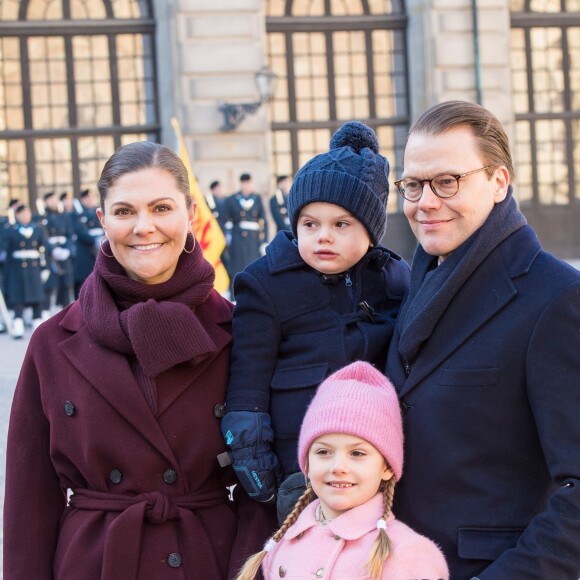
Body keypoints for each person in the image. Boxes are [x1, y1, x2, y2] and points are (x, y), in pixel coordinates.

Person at [3, 142, 275, 579]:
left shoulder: (243, 333)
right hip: (92, 562)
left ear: (190, 213)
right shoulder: (52, 342)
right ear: (102, 220)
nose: (143, 227)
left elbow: (261, 491)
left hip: (210, 559)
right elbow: (28, 502)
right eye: (125, 211)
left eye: (161, 207)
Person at [385, 100, 580, 579]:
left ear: (499, 182)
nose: (425, 201)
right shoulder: (414, 286)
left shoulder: (555, 298)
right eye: (412, 185)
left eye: (447, 181)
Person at [221, 121, 410, 523]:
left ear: (371, 232)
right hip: (295, 472)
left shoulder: (394, 280)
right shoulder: (265, 284)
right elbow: (247, 382)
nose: (323, 236)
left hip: (373, 471)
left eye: (341, 224)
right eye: (310, 224)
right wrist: (254, 461)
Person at [235, 361, 449, 579]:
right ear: (307, 463)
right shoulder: (285, 541)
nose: (338, 467)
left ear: (386, 467)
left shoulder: (409, 554)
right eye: (323, 452)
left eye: (357, 453)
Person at [2, 202, 49, 338]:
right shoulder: (10, 231)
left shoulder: (38, 229)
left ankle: (38, 327)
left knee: (37, 298)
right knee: (18, 299)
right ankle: (18, 326)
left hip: (34, 269)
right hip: (17, 270)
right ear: (17, 215)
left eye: (28, 213)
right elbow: (6, 252)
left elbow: (43, 250)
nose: (26, 216)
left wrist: (44, 267)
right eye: (22, 214)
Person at [223, 173, 268, 296]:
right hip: (238, 239)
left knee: (253, 266)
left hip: (253, 240)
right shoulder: (232, 199)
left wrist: (264, 241)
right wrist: (226, 237)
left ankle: (253, 294)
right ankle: (235, 294)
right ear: (241, 184)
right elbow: (224, 220)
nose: (247, 186)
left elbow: (264, 221)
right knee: (237, 266)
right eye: (245, 183)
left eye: (249, 183)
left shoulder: (257, 199)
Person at [37, 191, 75, 310]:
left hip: (63, 252)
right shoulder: (42, 218)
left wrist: (67, 250)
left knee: (66, 283)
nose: (53, 202)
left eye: (54, 199)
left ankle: (66, 308)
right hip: (51, 255)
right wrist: (52, 251)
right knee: (51, 284)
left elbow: (70, 235)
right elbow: (43, 238)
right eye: (50, 200)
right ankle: (47, 310)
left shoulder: (64, 216)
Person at [72, 187, 103, 298]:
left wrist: (102, 238)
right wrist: (93, 239)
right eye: (87, 198)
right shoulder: (77, 214)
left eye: (91, 198)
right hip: (84, 249)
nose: (90, 200)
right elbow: (79, 231)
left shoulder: (97, 211)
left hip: (99, 247)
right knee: (84, 278)